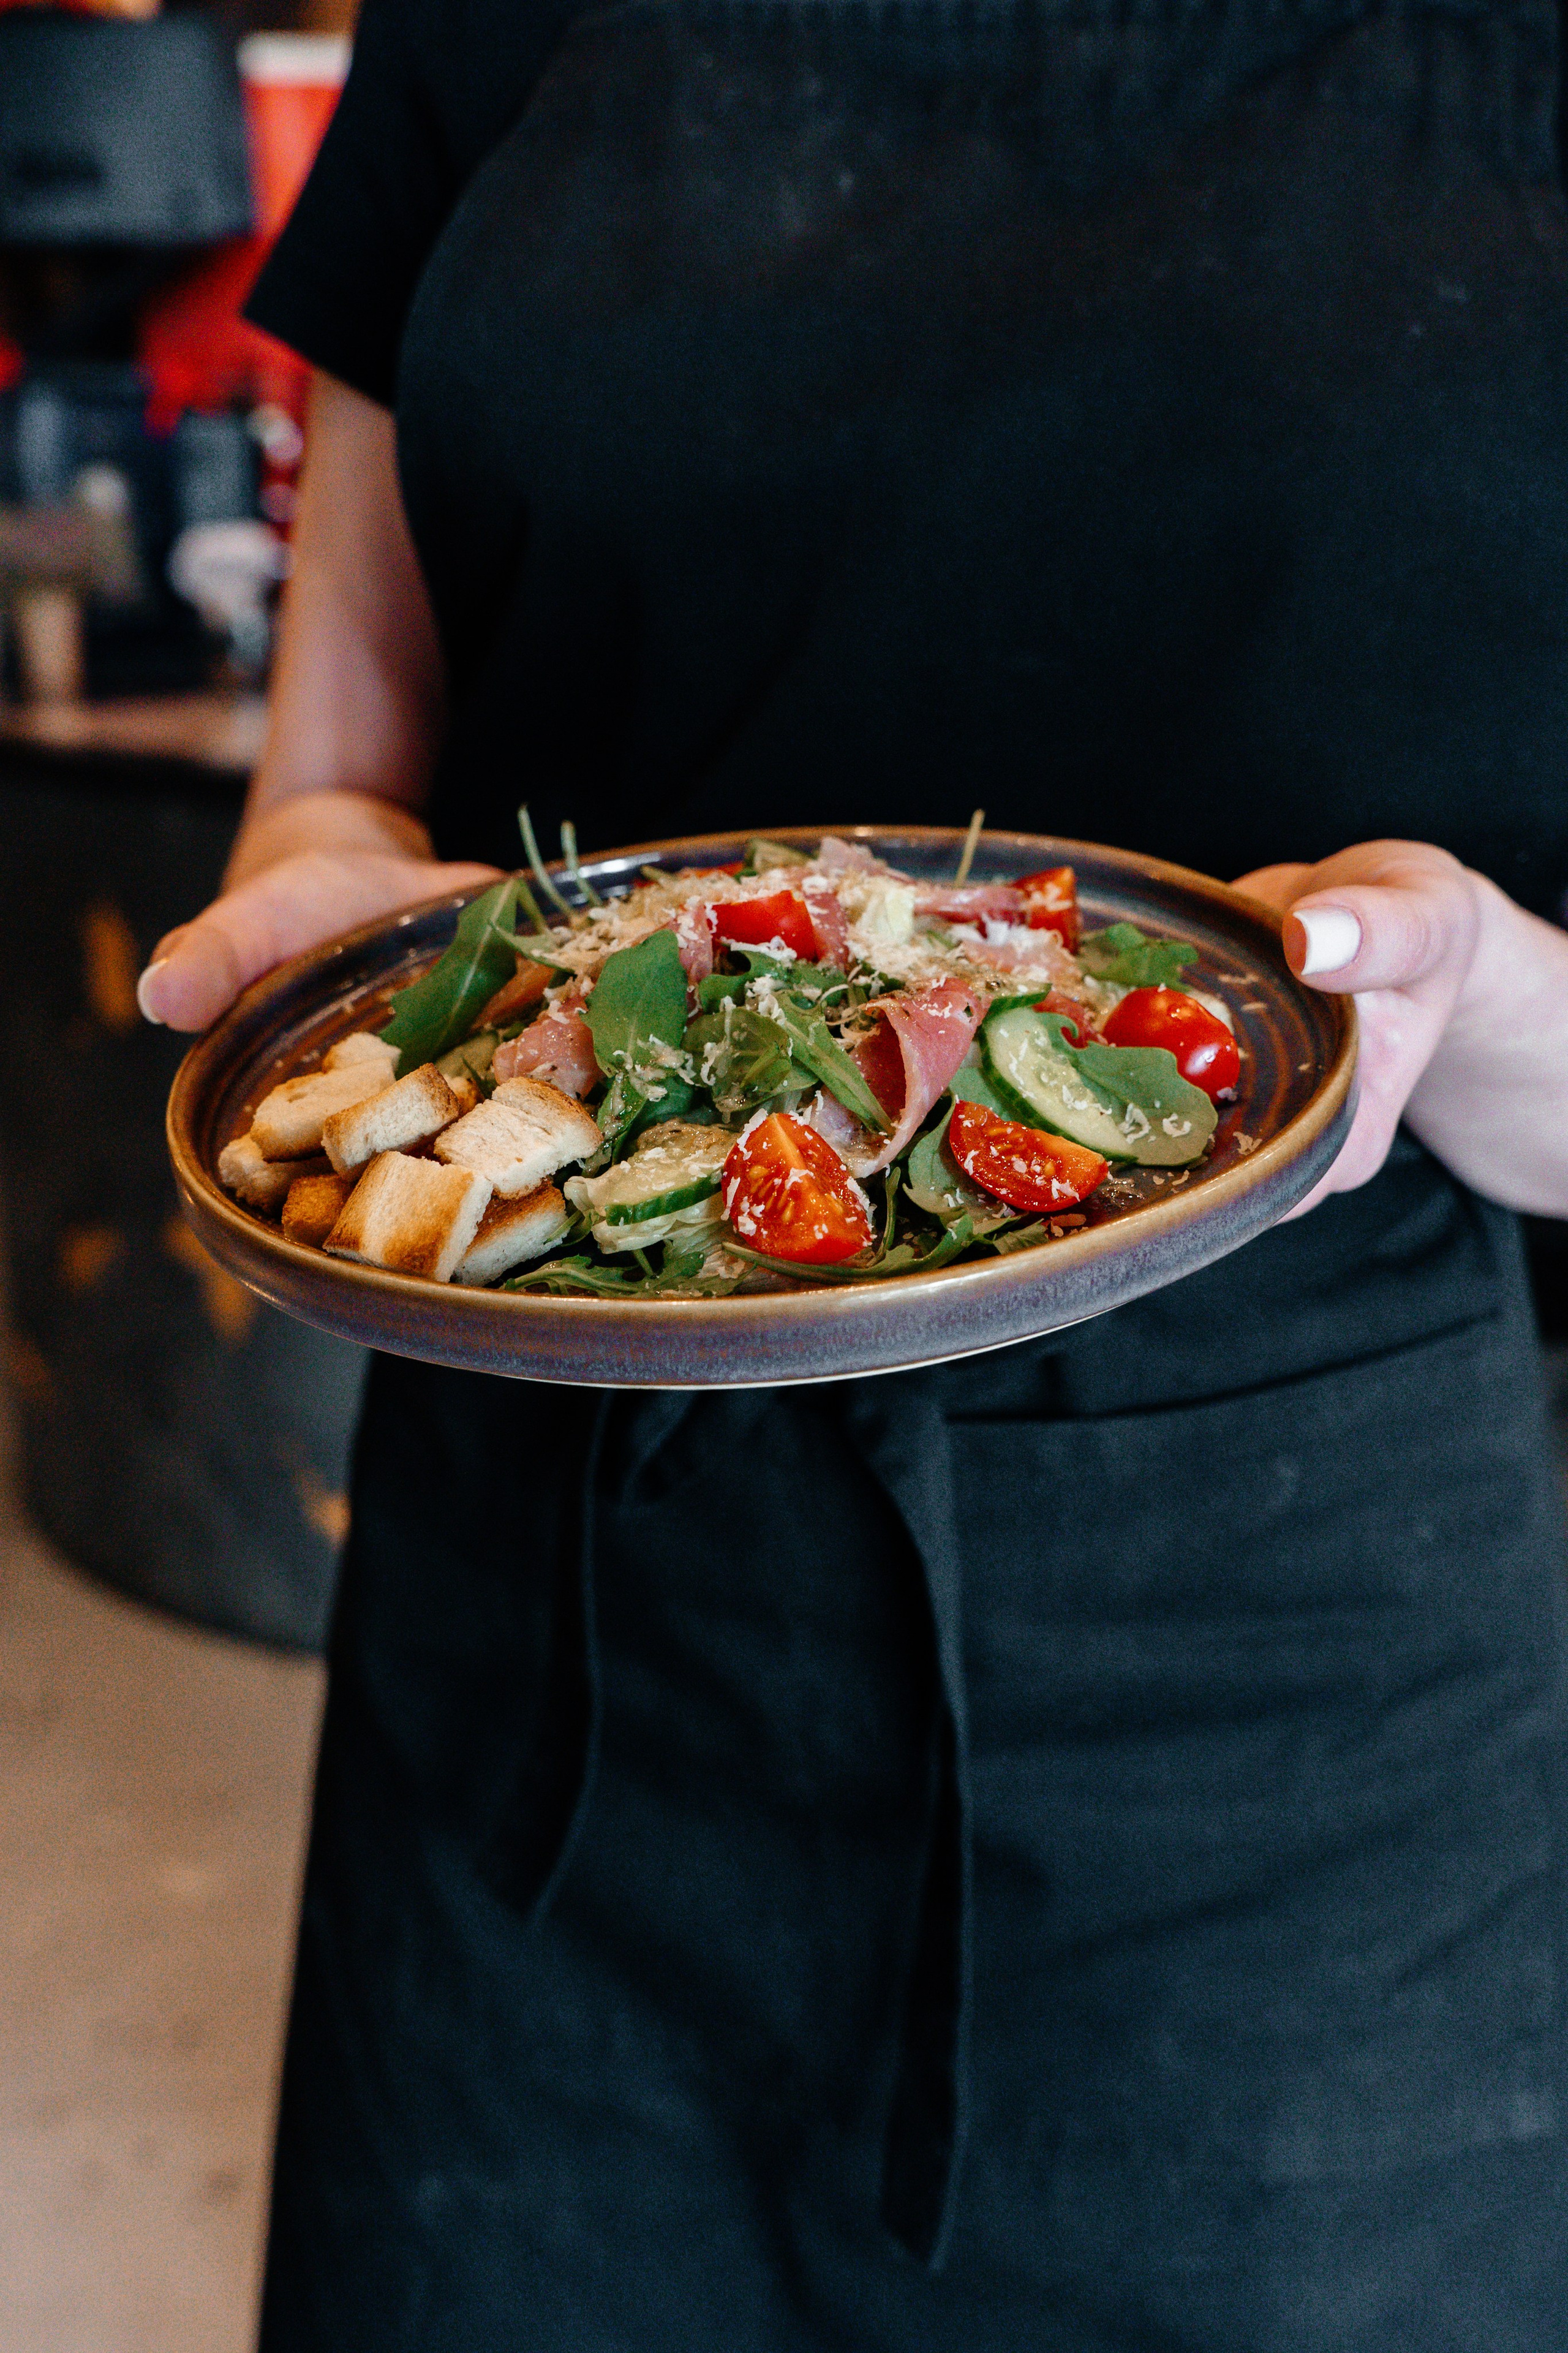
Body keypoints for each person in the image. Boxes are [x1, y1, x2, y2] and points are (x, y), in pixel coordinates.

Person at [138, 0, 1568, 2338]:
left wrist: (1478, 988)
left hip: (1292, 1695)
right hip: (558, 1615)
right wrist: (334, 898)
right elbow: (346, 757)